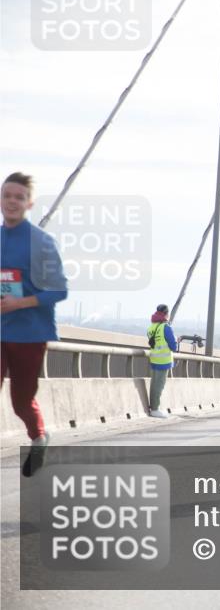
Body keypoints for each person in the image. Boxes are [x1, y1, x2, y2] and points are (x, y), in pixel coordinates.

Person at [1, 172, 68, 477]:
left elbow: (59, 290)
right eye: (7, 195)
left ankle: (39, 438)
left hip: (29, 334)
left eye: (18, 197)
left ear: (29, 203)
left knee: (21, 402)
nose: (12, 202)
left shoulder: (42, 243)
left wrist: (19, 303)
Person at [146, 304, 178, 418]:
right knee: (159, 385)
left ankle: (154, 407)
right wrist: (176, 341)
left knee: (154, 384)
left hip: (154, 359)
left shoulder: (151, 327)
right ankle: (155, 409)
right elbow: (174, 347)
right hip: (163, 361)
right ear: (166, 314)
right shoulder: (165, 327)